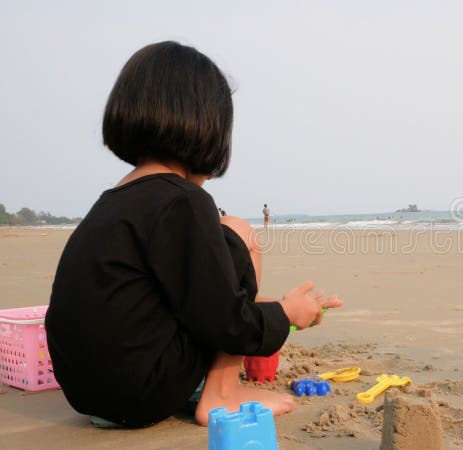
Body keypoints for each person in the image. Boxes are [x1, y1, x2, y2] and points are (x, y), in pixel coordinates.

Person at [45, 41, 343, 428]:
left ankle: (218, 385)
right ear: (207, 126)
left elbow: (160, 296)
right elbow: (226, 322)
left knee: (224, 267)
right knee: (237, 231)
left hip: (86, 393)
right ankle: (223, 392)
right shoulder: (185, 202)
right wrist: (285, 316)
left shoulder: (113, 201)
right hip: (140, 393)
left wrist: (264, 305)